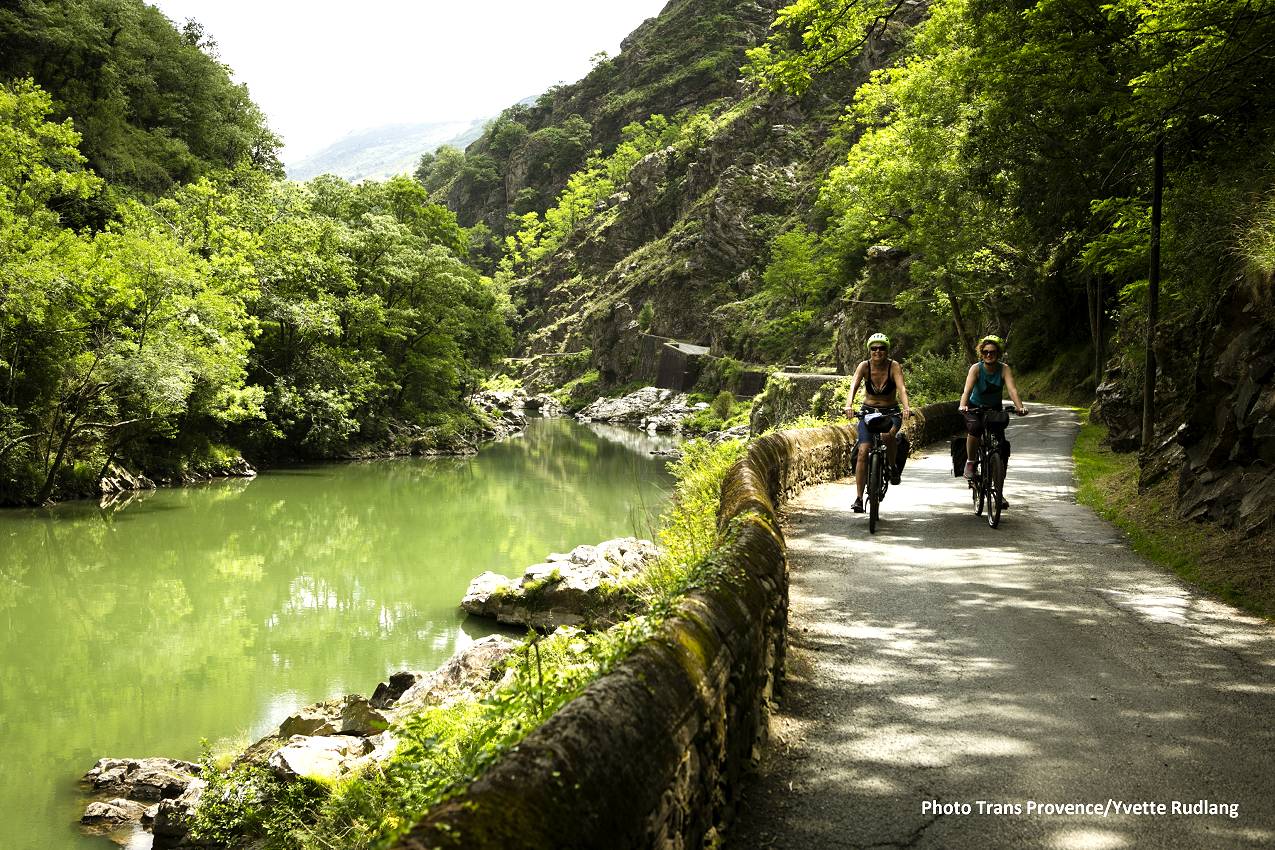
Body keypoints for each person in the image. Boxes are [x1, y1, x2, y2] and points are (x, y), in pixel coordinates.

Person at [844, 332, 912, 513]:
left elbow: (901, 388)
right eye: (874, 348)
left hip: (891, 412)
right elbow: (853, 386)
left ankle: (891, 467)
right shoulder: (864, 366)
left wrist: (906, 407)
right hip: (868, 413)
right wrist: (849, 405)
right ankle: (859, 498)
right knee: (863, 450)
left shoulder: (894, 366)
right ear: (869, 350)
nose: (878, 352)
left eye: (882, 348)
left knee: (887, 436)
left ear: (887, 350)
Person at [958, 334, 1027, 508]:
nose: (990, 355)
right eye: (986, 352)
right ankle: (971, 462)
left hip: (994, 409)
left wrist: (1020, 407)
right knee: (974, 427)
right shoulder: (976, 368)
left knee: (1001, 450)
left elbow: (1012, 390)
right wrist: (962, 405)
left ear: (998, 353)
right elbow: (967, 390)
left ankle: (999, 493)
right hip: (975, 407)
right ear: (981, 353)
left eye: (993, 352)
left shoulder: (1004, 369)